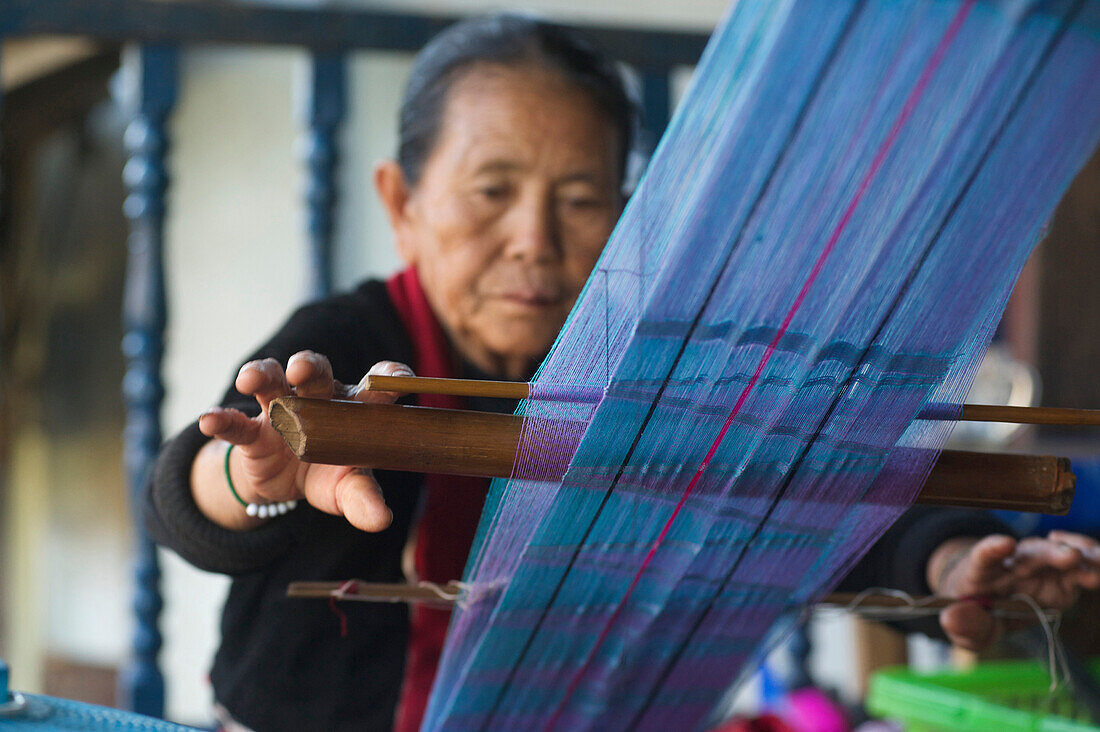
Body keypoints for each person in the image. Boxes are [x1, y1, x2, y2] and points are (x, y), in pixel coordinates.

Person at [145, 14, 1100, 732]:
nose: (534, 241)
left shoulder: (644, 382)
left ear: (625, 221)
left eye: (579, 199)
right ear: (402, 203)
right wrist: (252, 477)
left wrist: (954, 565)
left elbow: (798, 496)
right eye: (491, 192)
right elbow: (190, 492)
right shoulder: (347, 346)